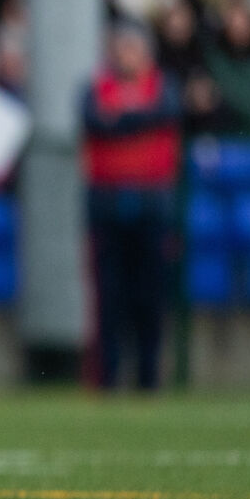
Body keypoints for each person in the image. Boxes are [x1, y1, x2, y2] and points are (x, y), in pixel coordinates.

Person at [82, 19, 181, 390]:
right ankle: (108, 378)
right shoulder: (95, 88)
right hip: (107, 204)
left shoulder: (164, 86)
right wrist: (136, 117)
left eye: (134, 48)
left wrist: (121, 117)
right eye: (122, 48)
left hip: (152, 203)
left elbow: (164, 113)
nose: (127, 56)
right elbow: (96, 122)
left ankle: (148, 378)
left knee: (150, 295)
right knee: (109, 295)